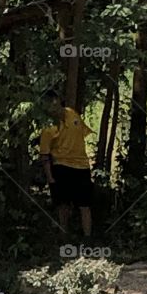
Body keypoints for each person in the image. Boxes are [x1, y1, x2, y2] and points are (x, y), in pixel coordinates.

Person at [38, 89, 95, 239]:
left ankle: (88, 238)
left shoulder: (72, 114)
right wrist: (50, 178)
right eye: (50, 106)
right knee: (62, 204)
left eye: (55, 104)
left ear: (59, 101)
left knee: (85, 204)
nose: (54, 108)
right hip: (61, 165)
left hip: (81, 165)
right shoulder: (48, 128)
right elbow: (44, 155)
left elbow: (83, 133)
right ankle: (64, 236)